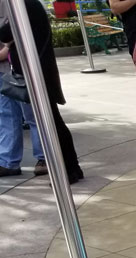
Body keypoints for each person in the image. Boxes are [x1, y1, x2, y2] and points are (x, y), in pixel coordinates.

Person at [0, 0, 83, 183]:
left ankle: (70, 169)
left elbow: (5, 33)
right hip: (38, 71)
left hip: (37, 73)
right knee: (52, 122)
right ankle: (70, 168)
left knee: (52, 123)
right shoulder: (29, 5)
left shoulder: (25, 6)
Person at [0, 39, 45, 178]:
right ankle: (8, 161)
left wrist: (6, 48)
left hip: (22, 68)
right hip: (4, 71)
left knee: (33, 115)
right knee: (7, 115)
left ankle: (45, 157)